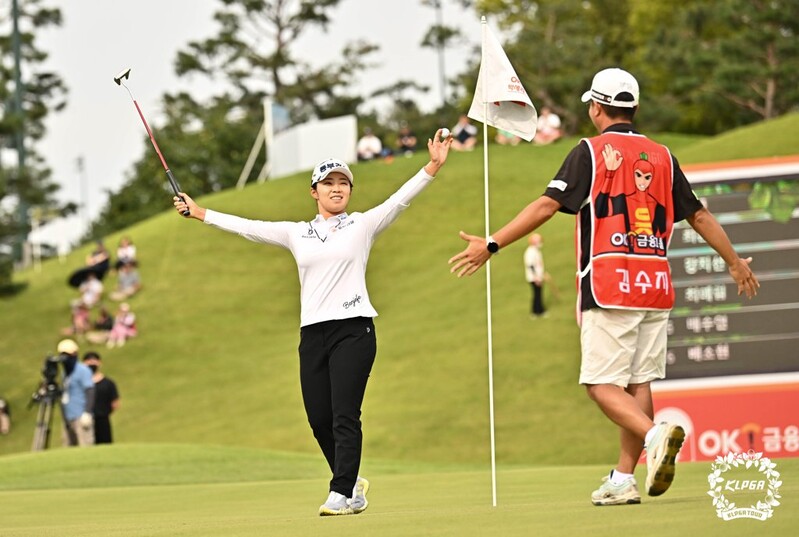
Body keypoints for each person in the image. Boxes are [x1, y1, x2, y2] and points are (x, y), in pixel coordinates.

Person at [448, 68, 760, 506]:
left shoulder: (589, 151)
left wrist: (493, 243)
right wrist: (733, 262)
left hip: (610, 281)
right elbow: (700, 215)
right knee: (639, 381)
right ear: (633, 108)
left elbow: (547, 204)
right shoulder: (663, 155)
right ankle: (622, 478)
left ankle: (655, 434)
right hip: (655, 282)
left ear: (596, 107)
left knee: (600, 383)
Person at [173, 129, 452, 516]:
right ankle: (352, 482)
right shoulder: (296, 233)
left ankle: (340, 493)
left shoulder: (363, 224)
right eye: (328, 183)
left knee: (343, 415)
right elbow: (248, 226)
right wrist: (201, 212)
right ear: (314, 192)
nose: (337, 189)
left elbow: (399, 199)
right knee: (319, 418)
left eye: (343, 183)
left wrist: (433, 166)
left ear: (350, 191)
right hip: (313, 334)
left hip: (354, 329)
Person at [57, 339, 95, 447]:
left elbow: (90, 391)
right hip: (68, 416)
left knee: (85, 445)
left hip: (81, 415)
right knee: (68, 446)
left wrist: (87, 412)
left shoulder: (83, 370)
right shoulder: (65, 372)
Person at [83, 352, 120, 444]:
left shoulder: (108, 383)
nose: (92, 363)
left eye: (94, 360)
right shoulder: (81, 383)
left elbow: (115, 403)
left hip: (103, 419)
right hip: (85, 419)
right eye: (89, 361)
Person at [524, 233, 546, 318]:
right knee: (537, 294)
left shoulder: (536, 251)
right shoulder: (530, 252)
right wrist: (536, 277)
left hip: (538, 276)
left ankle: (539, 310)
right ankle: (536, 311)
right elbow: (531, 265)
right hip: (534, 278)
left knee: (539, 293)